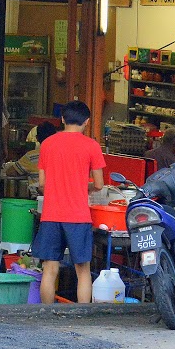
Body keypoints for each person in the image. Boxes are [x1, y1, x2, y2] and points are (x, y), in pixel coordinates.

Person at [32, 101, 105, 305]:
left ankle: (46, 314)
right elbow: (99, 184)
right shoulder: (91, 146)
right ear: (87, 122)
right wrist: (84, 187)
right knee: (82, 270)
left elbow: (42, 184)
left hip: (51, 215)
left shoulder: (47, 144)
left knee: (49, 268)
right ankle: (82, 315)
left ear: (62, 119)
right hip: (78, 216)